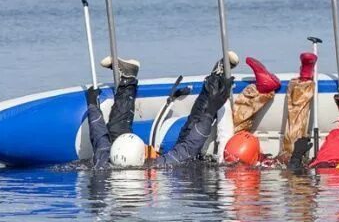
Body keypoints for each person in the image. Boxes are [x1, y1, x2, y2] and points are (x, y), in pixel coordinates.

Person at [85, 52, 238, 168]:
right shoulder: (158, 167)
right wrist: (211, 109)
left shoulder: (103, 162)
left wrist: (92, 105)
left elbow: (99, 138)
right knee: (187, 135)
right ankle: (215, 79)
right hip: (169, 168)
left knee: (115, 132)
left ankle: (128, 78)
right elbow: (190, 145)